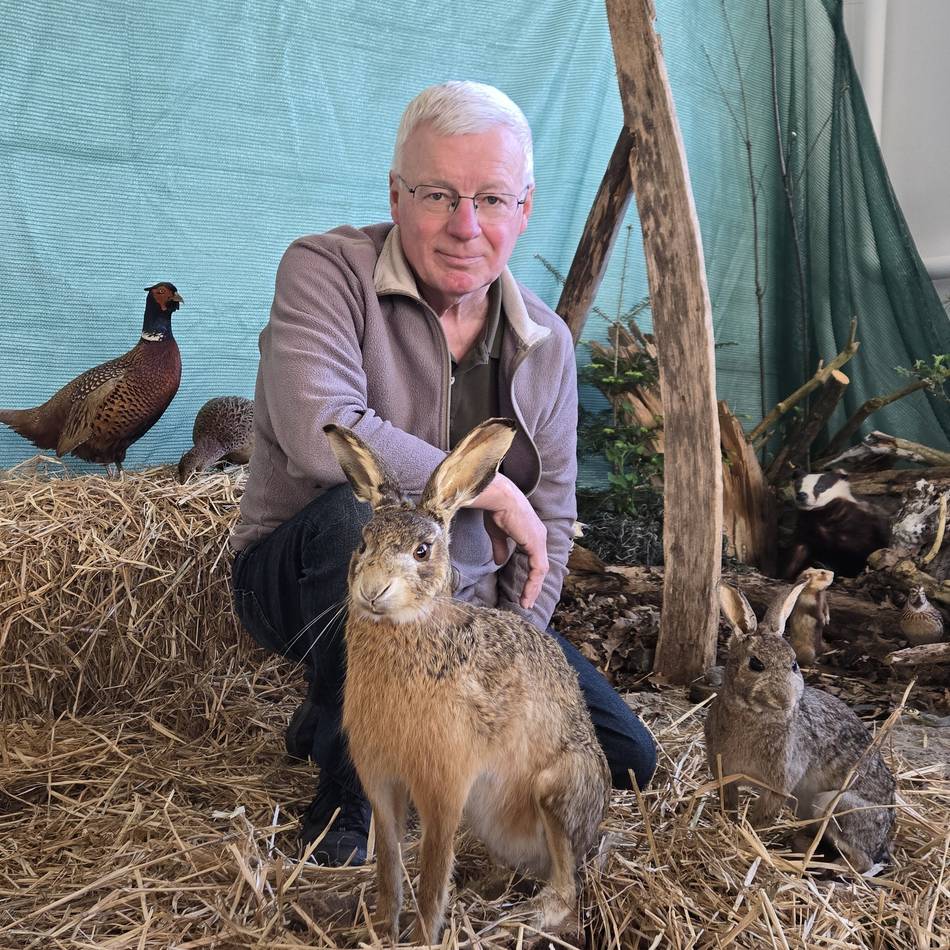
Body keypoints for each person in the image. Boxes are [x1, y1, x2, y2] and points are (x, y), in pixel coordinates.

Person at [230, 80, 656, 866]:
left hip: (464, 621)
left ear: (523, 209)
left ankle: (342, 714)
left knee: (629, 758)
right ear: (396, 196)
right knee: (357, 518)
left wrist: (506, 659)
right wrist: (492, 488)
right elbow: (313, 426)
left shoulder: (548, 344)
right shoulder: (325, 271)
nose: (465, 227)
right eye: (438, 195)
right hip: (309, 573)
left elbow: (551, 524)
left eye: (491, 199)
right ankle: (350, 789)